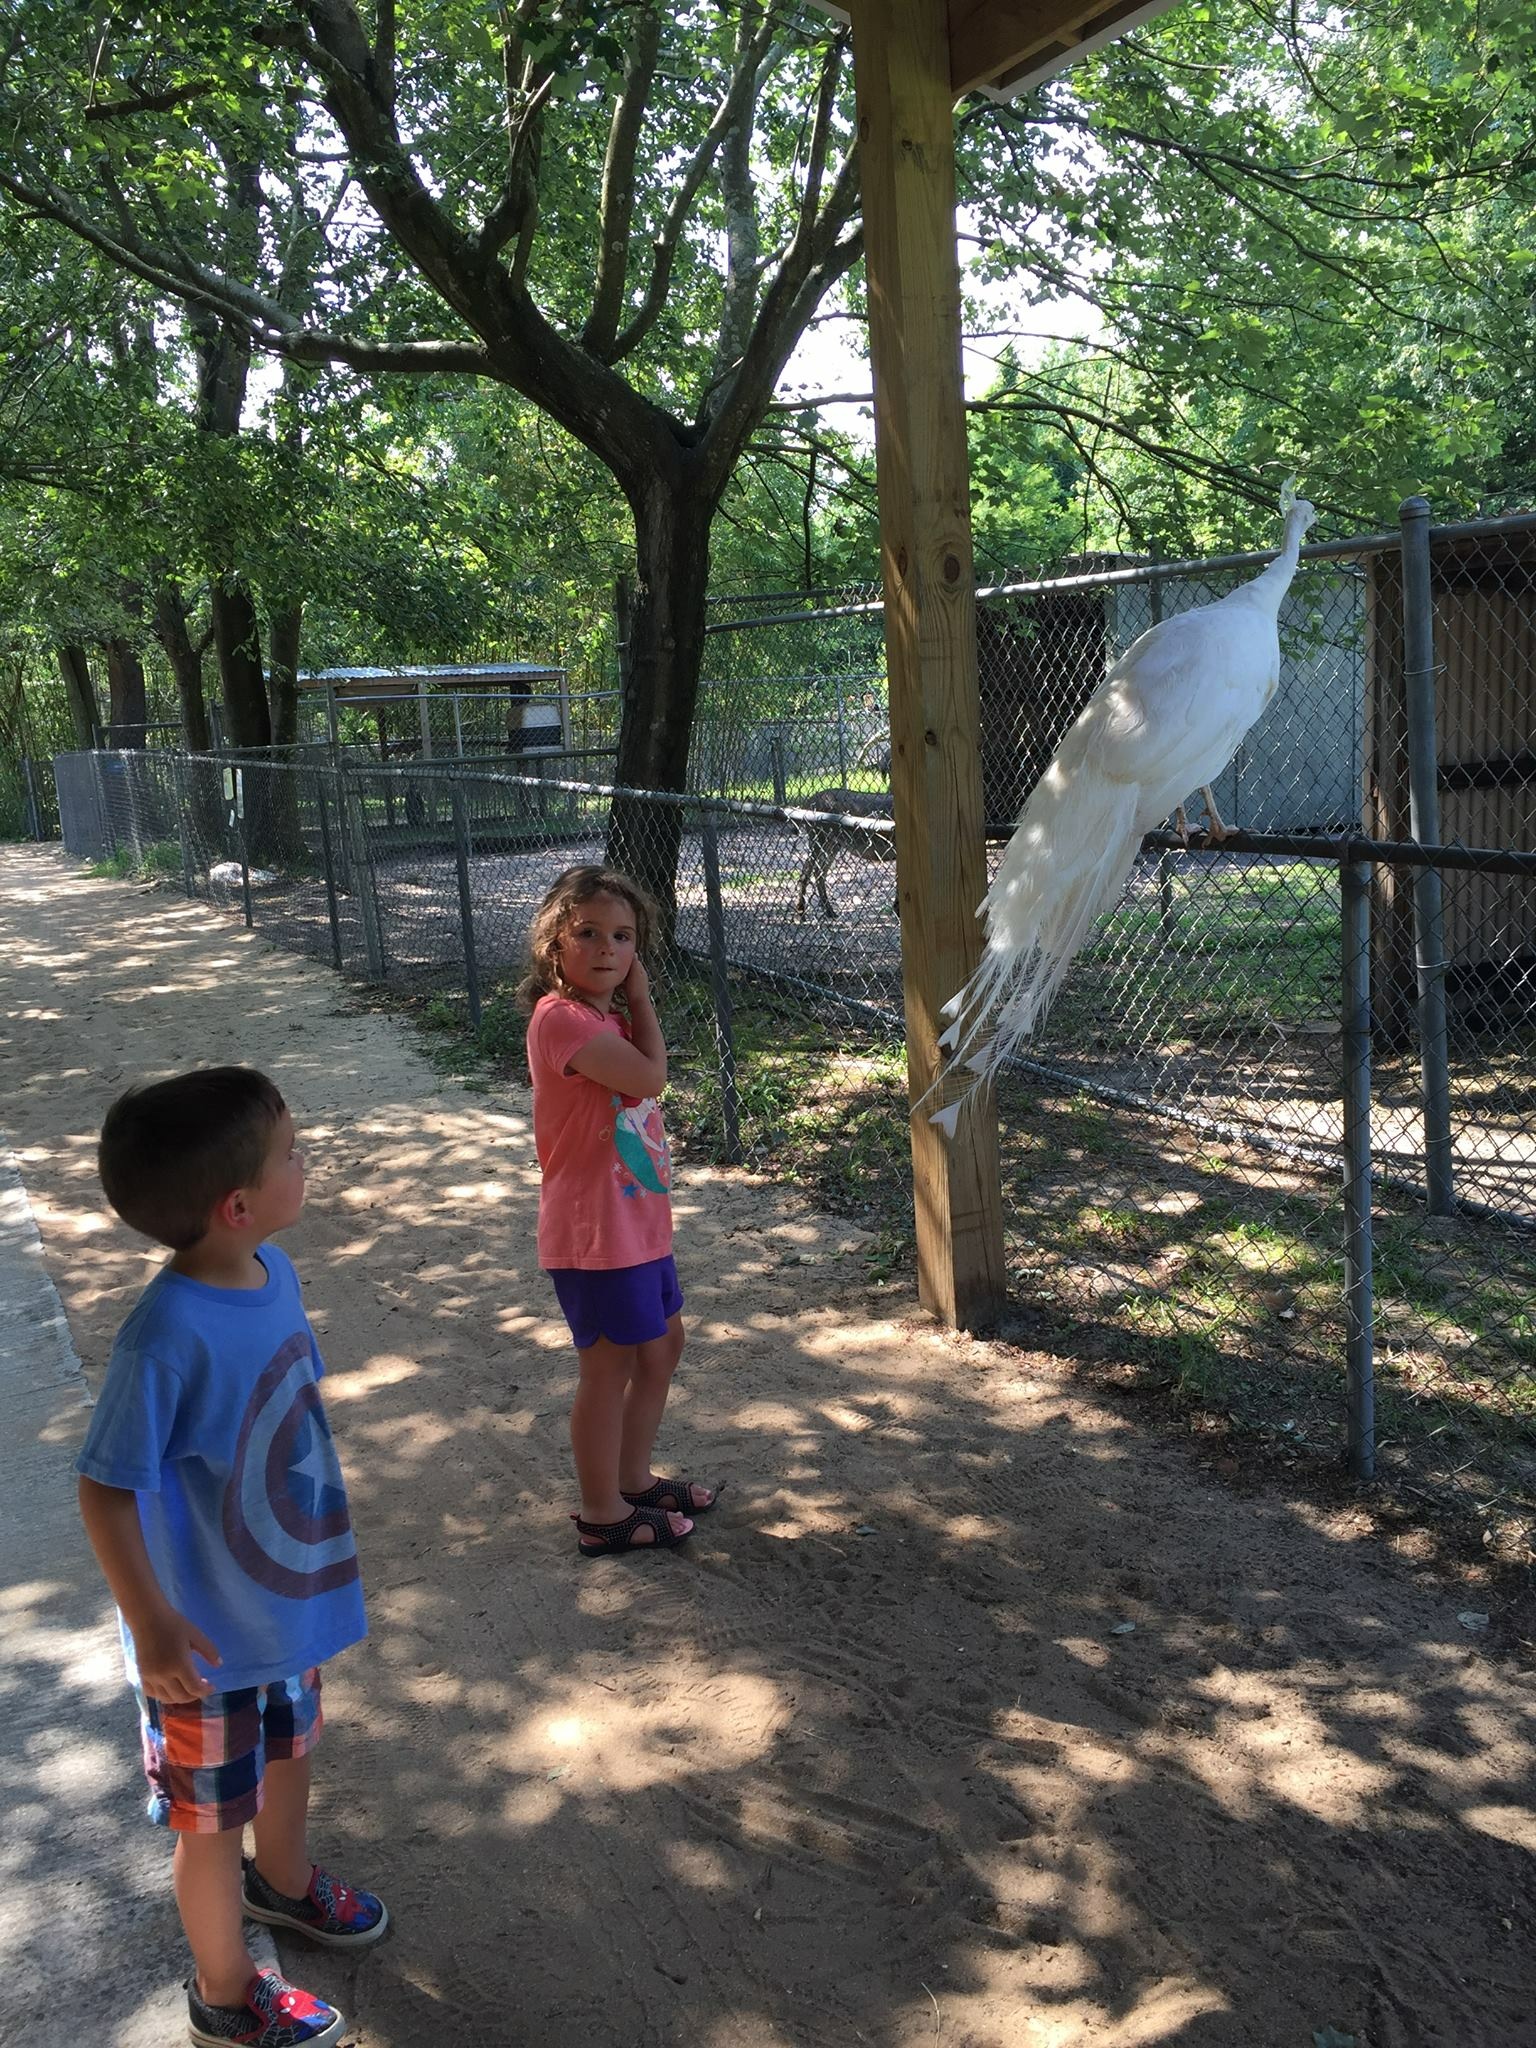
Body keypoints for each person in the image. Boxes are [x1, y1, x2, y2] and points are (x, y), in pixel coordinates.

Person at [75, 1067, 384, 2048]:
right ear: (237, 1202)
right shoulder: (163, 1338)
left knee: (292, 1754)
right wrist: (153, 1619)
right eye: (291, 1150)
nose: (308, 1159)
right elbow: (104, 1484)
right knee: (207, 1822)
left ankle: (284, 1882)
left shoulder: (273, 1273)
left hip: (280, 1603)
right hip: (202, 1641)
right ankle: (224, 1991)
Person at [519, 865, 717, 1557]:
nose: (608, 948)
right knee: (608, 1369)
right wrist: (643, 997)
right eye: (589, 934)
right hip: (592, 1233)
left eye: (624, 937)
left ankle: (633, 1480)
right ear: (554, 946)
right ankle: (603, 1513)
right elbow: (650, 1076)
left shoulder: (601, 1017)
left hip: (634, 1223)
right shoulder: (562, 1020)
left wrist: (628, 1004)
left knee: (663, 1347)